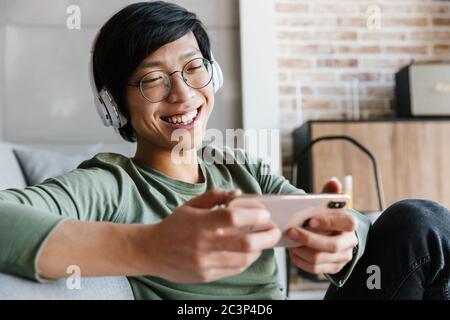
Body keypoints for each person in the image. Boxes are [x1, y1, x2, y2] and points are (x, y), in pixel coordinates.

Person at [0, 1, 448, 300]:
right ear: (113, 104)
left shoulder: (239, 167)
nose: (182, 95)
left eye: (193, 69)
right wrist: (150, 247)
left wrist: (346, 236)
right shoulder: (111, 184)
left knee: (419, 221)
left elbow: (334, 220)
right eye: (153, 79)